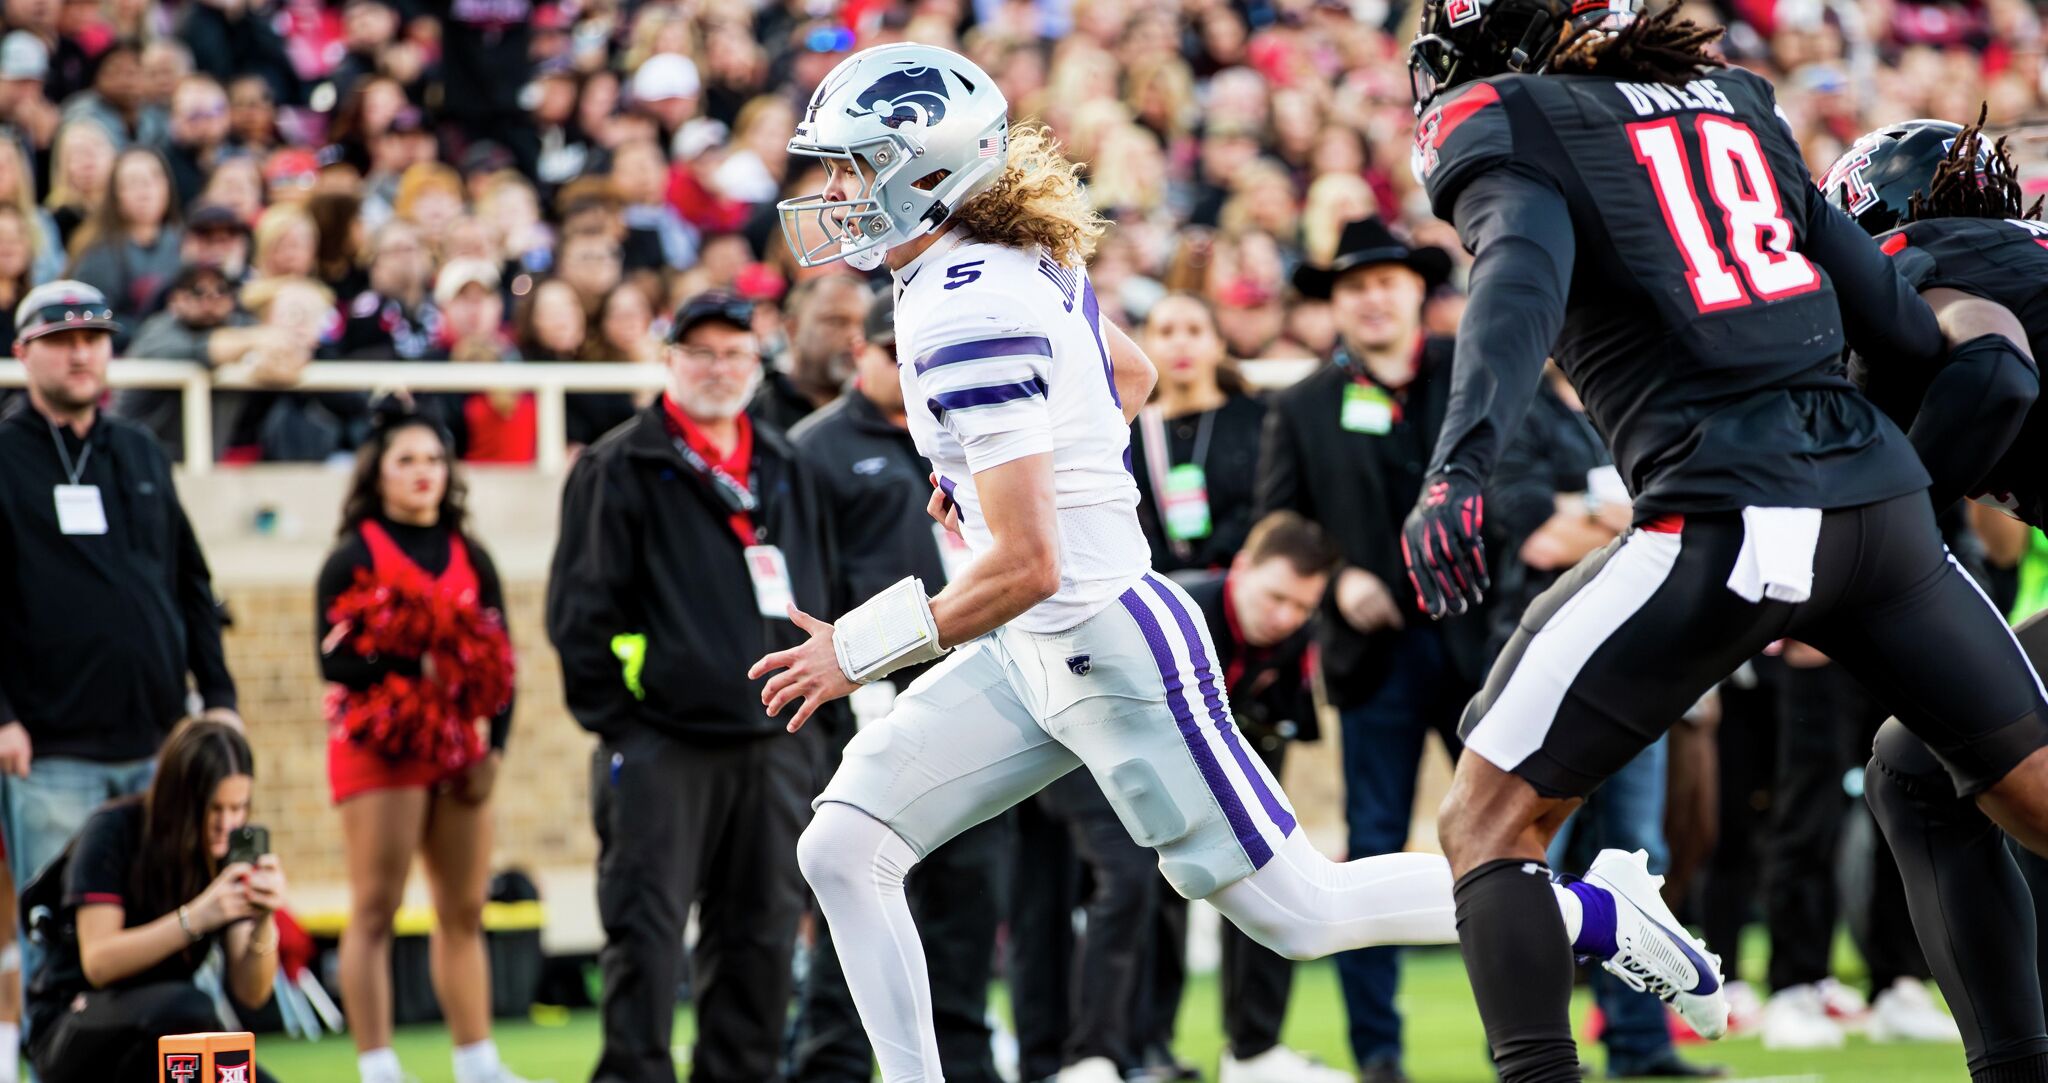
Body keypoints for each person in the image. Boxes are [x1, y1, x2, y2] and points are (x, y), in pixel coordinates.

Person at [751, 42, 1702, 1083]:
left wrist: (862, 648)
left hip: (1104, 650)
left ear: (924, 172)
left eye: (853, 165)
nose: (833, 191)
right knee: (840, 848)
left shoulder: (960, 306)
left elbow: (1027, 563)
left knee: (1302, 911)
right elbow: (1132, 373)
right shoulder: (988, 263)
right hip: (1038, 648)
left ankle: (1598, 913)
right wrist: (1030, 474)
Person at [1398, 2, 2048, 1078]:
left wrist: (1458, 464)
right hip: (1878, 514)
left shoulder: (1515, 119)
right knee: (1976, 786)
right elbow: (1893, 317)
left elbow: (1514, 278)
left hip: (1722, 507)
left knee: (1486, 820)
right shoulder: (1739, 105)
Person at [546, 290, 841, 1083]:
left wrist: (812, 730)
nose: (719, 368)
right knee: (644, 941)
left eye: (735, 352)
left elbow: (821, 594)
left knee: (760, 942)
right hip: (664, 746)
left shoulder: (785, 464)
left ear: (757, 361)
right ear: (668, 358)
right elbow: (578, 616)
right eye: (700, 352)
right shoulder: (620, 464)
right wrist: (629, 726)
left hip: (775, 746)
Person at [1817, 115, 2048, 1082]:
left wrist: (1885, 526)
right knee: (1940, 762)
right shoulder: (2017, 256)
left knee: (1916, 769)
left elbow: (1992, 368)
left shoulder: (1930, 261)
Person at [1253, 215, 1480, 1083]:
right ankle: (1378, 1055)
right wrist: (1338, 576)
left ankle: (1543, 1040)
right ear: (1335, 304)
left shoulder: (1472, 373)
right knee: (1372, 845)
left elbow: (1521, 479)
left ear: (1419, 289)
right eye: (1353, 286)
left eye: (1387, 280)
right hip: (1371, 660)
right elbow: (1280, 525)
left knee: (1515, 841)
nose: (1373, 298)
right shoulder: (1304, 402)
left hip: (1480, 651)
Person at [786, 292, 1008, 1083]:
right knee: (853, 890)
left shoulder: (955, 432)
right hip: (866, 695)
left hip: (975, 682)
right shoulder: (814, 449)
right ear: (862, 351)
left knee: (967, 904)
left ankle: (970, 1066)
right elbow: (805, 589)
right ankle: (832, 1069)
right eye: (893, 352)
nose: (907, 367)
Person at [0, 279, 239, 1004]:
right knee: (67, 951)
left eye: (94, 339)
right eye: (62, 340)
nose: (82, 354)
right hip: (52, 749)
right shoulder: (4, 455)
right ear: (24, 352)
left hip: (160, 742)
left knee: (183, 934)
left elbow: (191, 584)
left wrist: (219, 697)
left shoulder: (138, 450)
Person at [316, 405, 533, 1083]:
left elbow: (502, 662)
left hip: (460, 750)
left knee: (463, 907)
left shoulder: (474, 555)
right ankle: (378, 1065)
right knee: (376, 905)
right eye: (406, 460)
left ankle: (477, 1060)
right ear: (377, 473)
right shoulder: (352, 556)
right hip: (380, 750)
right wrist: (416, 667)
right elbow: (335, 662)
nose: (422, 473)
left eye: (434, 460)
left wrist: (494, 747)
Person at [1182, 510, 1350, 1083]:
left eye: (1303, 607)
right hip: (1129, 772)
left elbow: (1282, 731)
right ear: (1243, 566)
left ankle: (1253, 1052)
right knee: (1133, 895)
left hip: (1239, 757)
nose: (1286, 618)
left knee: (1274, 874)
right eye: (1276, 596)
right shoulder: (1182, 613)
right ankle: (1129, 1053)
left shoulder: (1298, 638)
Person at [23, 719, 282, 1083]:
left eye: (238, 808)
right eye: (215, 809)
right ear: (181, 799)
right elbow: (99, 962)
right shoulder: (114, 830)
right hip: (75, 1023)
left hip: (165, 1032)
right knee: (190, 1007)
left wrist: (264, 919)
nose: (228, 823)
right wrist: (196, 917)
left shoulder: (226, 852)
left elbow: (252, 993)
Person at [1130, 292, 1264, 575]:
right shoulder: (1129, 431)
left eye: (1194, 331)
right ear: (1145, 347)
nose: (1181, 343)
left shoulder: (1257, 418)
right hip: (1159, 583)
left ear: (1219, 344)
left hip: (1238, 580)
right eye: (1166, 332)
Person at [64, 145, 181, 345]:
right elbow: (91, 318)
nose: (146, 190)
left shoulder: (183, 244)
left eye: (153, 179)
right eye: (133, 182)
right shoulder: (98, 252)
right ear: (116, 194)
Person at [750, 269, 866, 431]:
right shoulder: (755, 414)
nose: (855, 336)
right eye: (836, 321)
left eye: (865, 325)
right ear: (792, 329)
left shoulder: (891, 412)